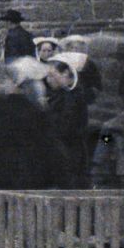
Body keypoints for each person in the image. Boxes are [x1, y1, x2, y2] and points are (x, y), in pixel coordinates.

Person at [43, 56, 92, 185]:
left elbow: (65, 126)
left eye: (52, 76)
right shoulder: (59, 95)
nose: (49, 80)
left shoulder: (72, 97)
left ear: (65, 74)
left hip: (69, 151)